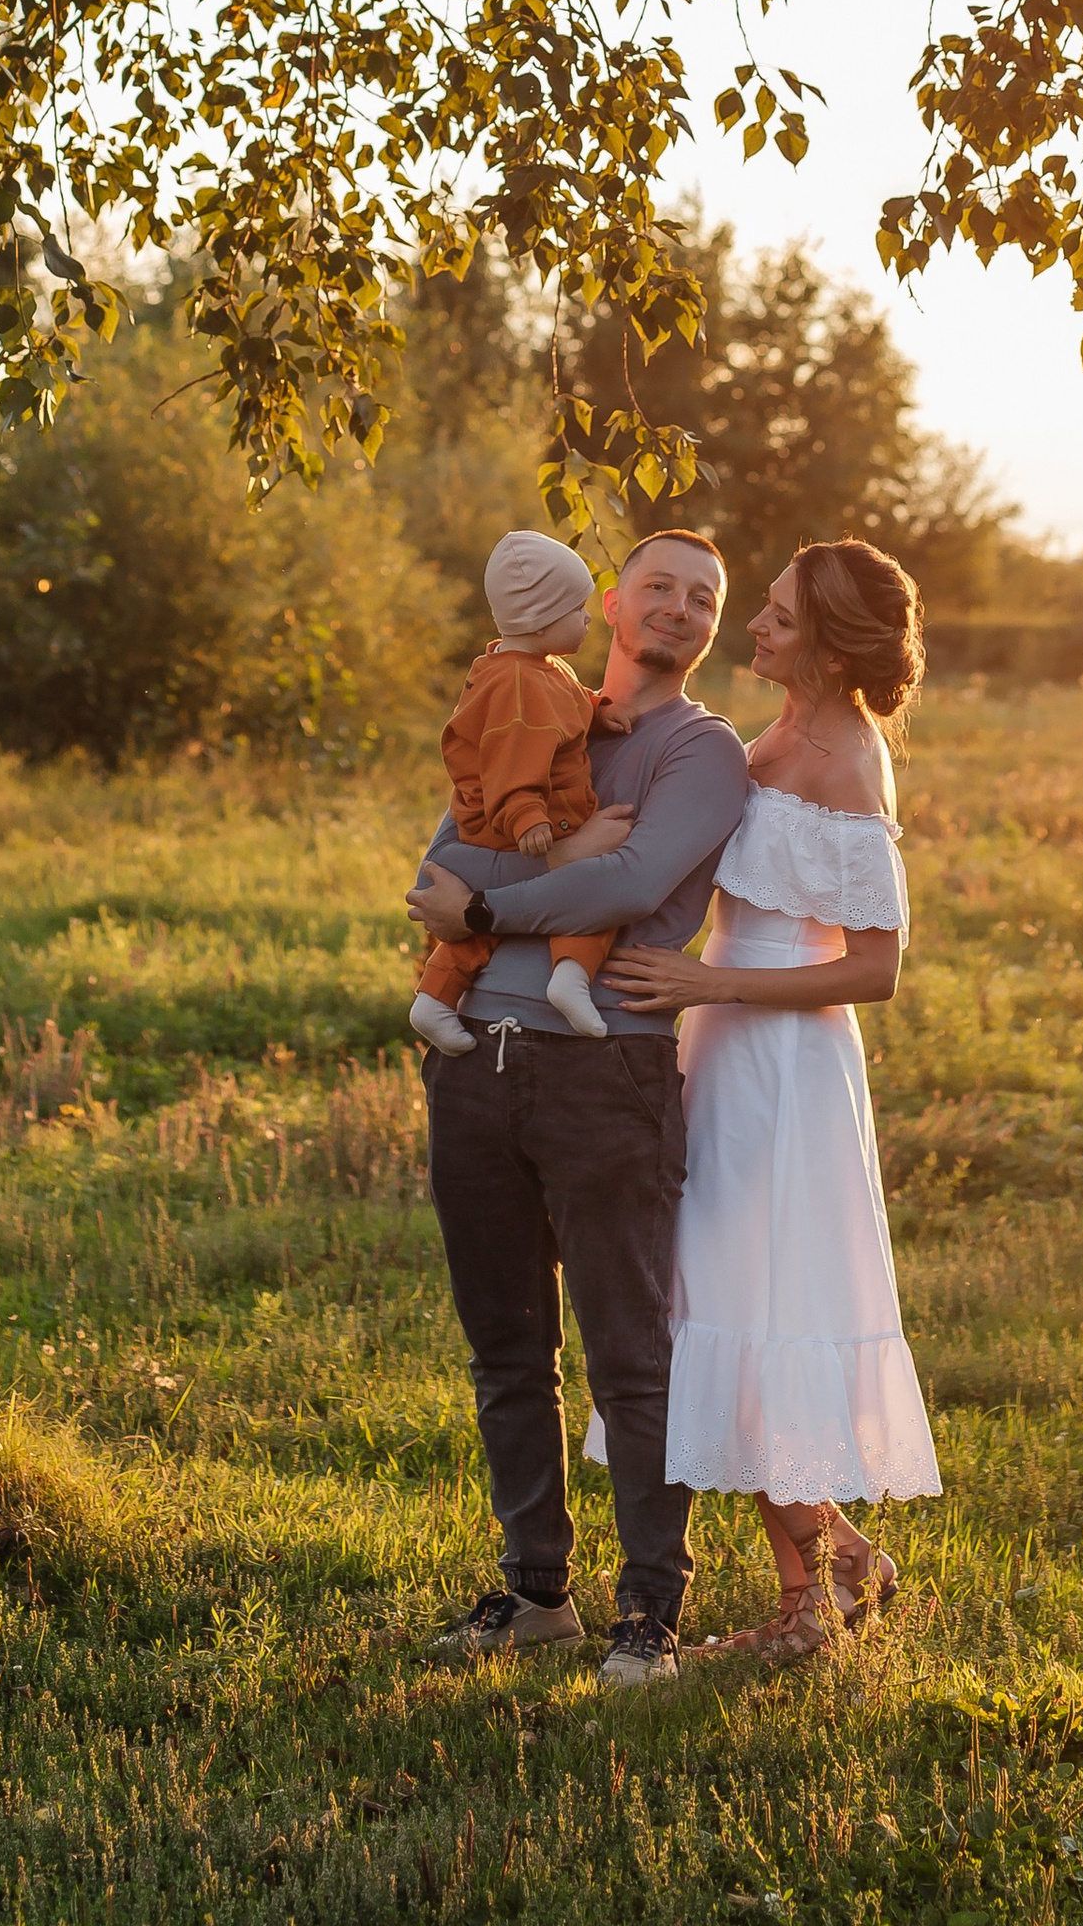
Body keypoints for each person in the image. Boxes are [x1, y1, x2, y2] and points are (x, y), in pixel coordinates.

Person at [405, 527, 748, 1690]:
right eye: (660, 586)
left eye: (703, 598)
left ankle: (648, 1614)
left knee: (629, 1353)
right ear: (611, 601)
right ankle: (534, 1593)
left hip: (607, 1074)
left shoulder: (702, 750)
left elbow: (631, 881)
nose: (680, 608)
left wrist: (484, 914)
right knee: (507, 1349)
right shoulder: (522, 697)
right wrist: (501, 888)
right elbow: (436, 869)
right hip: (475, 1070)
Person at [603, 538, 940, 1664]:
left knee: (755, 1314)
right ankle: (836, 1567)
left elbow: (876, 969)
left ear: (833, 648)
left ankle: (812, 1601)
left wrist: (712, 982)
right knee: (717, 1309)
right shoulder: (773, 735)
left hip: (787, 1069)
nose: (755, 624)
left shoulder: (850, 765)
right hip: (722, 1045)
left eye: (782, 617)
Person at [410, 529, 622, 1052]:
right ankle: (571, 975)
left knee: (484, 921)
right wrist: (525, 814)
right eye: (577, 609)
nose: (588, 619)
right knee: (591, 893)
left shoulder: (532, 667)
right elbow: (510, 757)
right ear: (540, 618)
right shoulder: (519, 687)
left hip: (517, 819)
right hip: (525, 822)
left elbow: (564, 703)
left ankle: (435, 998)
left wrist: (597, 710)